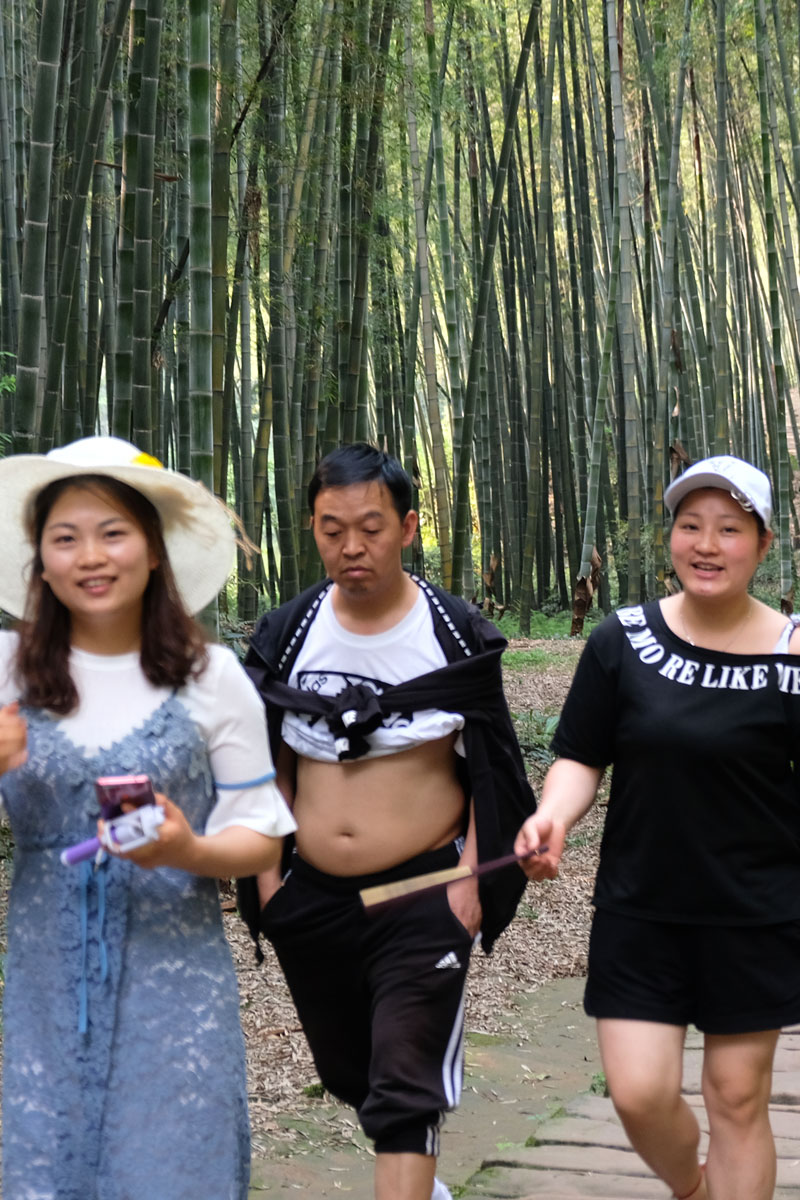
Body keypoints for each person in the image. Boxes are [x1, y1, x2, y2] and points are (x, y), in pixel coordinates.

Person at [0, 436, 294, 1198]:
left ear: (154, 551)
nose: (91, 555)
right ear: (41, 562)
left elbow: (263, 837)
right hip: (48, 985)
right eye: (66, 537)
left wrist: (186, 848)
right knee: (53, 1171)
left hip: (177, 985)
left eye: (113, 532)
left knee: (177, 1171)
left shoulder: (210, 675)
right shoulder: (3, 668)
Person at [515, 456, 800, 1200]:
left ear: (764, 545)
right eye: (690, 526)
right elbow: (581, 756)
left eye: (730, 530)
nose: (707, 545)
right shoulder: (623, 640)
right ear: (669, 537)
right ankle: (694, 1189)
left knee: (737, 1098)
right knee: (638, 1092)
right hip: (642, 908)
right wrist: (552, 816)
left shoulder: (799, 658)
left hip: (757, 912)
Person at [240, 444, 537, 1200]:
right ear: (311, 529)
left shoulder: (452, 630)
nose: (351, 546)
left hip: (424, 890)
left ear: (408, 528)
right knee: (350, 1075)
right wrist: (270, 882)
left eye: (369, 528)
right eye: (331, 528)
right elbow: (267, 757)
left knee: (405, 1087)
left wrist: (471, 880)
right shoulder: (289, 630)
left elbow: (490, 767)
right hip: (312, 896)